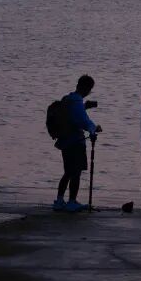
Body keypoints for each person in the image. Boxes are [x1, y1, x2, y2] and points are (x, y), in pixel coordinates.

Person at [54, 75, 101, 212]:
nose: (89, 92)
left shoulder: (68, 99)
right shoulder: (77, 101)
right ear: (86, 88)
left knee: (68, 172)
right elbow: (83, 121)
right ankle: (72, 201)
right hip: (75, 142)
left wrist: (85, 107)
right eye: (89, 89)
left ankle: (59, 200)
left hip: (65, 141)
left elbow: (73, 117)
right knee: (76, 172)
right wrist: (94, 128)